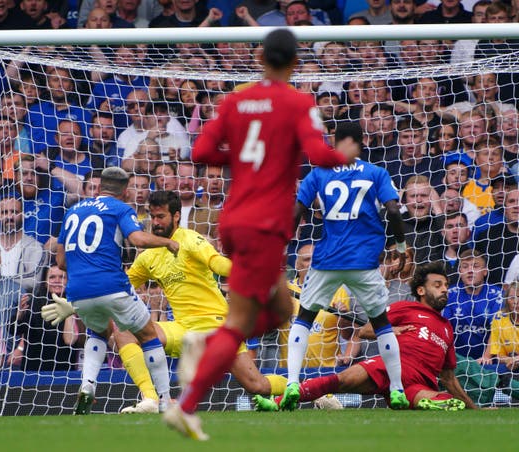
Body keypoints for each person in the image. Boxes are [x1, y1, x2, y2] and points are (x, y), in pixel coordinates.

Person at [162, 29, 358, 441]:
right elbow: (319, 156)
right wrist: (345, 155)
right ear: (295, 62)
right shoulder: (298, 103)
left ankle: (209, 351)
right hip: (265, 224)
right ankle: (189, 396)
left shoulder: (234, 101)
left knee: (281, 310)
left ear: (260, 57)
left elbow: (200, 154)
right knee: (241, 322)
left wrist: (242, 156)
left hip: (232, 221)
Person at [110, 191, 288, 414]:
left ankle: (304, 388)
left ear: (176, 216)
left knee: (257, 385)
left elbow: (218, 263)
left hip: (216, 327)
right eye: (153, 217)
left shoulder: (191, 239)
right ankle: (152, 399)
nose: (155, 223)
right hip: (184, 329)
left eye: (161, 217)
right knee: (124, 331)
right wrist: (77, 301)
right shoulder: (148, 256)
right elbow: (120, 287)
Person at [285, 121, 409, 413]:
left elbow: (297, 211)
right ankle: (398, 389)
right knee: (381, 324)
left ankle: (292, 382)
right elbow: (393, 210)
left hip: (327, 260)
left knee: (304, 317)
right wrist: (401, 247)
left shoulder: (318, 173)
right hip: (364, 262)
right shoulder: (376, 172)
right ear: (360, 142)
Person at [39, 167, 179, 415]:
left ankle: (87, 386)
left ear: (100, 187)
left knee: (99, 331)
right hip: (112, 285)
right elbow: (137, 239)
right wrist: (168, 242)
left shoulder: (73, 211)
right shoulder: (121, 209)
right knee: (148, 335)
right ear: (125, 191)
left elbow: (60, 262)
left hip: (78, 291)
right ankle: (165, 399)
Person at [253, 262, 478, 411]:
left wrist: (474, 409)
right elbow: (365, 330)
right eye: (438, 285)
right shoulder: (405, 308)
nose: (445, 289)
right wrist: (393, 331)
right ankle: (278, 403)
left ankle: (434, 402)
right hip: (392, 365)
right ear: (421, 290)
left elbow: (448, 377)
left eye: (446, 285)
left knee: (446, 401)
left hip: (420, 382)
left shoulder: (447, 328)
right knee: (341, 381)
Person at [442, 249, 503, 360]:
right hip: (455, 359)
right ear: (460, 271)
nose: (470, 271)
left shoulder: (497, 295)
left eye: (475, 266)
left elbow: (497, 329)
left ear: (485, 271)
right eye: (465, 267)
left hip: (487, 361)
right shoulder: (450, 294)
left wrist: (486, 357)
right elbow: (444, 327)